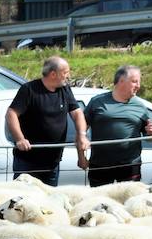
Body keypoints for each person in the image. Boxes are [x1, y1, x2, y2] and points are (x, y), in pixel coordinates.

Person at [5, 56, 90, 186]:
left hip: (53, 161)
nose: (68, 76)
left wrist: (82, 135)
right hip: (28, 161)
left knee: (49, 202)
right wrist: (20, 139)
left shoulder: (65, 89)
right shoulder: (29, 90)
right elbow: (11, 114)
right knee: (24, 200)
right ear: (53, 74)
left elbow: (77, 113)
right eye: (66, 72)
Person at [80, 65, 152, 186]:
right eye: (134, 81)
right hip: (100, 165)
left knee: (130, 202)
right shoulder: (97, 102)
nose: (138, 86)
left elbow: (150, 137)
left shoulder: (140, 106)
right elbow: (81, 131)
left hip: (130, 165)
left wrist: (151, 133)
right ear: (121, 81)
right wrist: (81, 156)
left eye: (138, 82)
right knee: (100, 202)